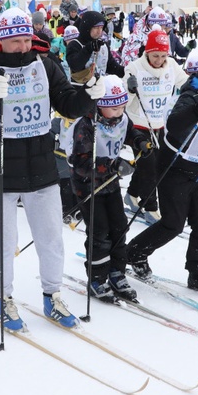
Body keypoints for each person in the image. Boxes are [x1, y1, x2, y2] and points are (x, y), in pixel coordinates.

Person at [0, 7, 103, 330]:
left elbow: (66, 101)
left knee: (51, 235)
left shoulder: (45, 65)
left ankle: (52, 295)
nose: (24, 46)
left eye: (27, 39)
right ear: (2, 39)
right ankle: (3, 298)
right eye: (16, 41)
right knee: (2, 239)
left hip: (41, 163)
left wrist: (88, 97)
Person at [125, 65, 198, 296]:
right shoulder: (193, 96)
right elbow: (175, 124)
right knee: (173, 224)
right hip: (175, 169)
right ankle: (134, 253)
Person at [69, 75, 151, 301]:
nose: (119, 111)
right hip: (88, 187)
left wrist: (140, 142)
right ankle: (97, 278)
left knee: (119, 228)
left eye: (122, 106)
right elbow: (81, 164)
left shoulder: (121, 118)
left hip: (111, 183)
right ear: (100, 106)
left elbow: (130, 132)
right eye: (114, 108)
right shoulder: (86, 125)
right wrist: (112, 165)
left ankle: (116, 272)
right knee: (100, 232)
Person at [124, 27, 188, 216]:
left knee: (151, 165)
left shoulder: (172, 66)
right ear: (147, 52)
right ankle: (150, 207)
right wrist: (129, 89)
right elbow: (123, 101)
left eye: (162, 56)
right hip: (138, 126)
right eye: (155, 56)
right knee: (150, 167)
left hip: (160, 124)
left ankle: (132, 194)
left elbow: (185, 83)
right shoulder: (134, 68)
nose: (159, 61)